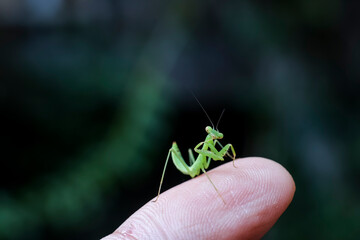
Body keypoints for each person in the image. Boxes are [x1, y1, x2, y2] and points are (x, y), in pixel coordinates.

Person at [102, 157, 295, 239]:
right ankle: (160, 189)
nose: (215, 136)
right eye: (212, 134)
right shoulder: (204, 148)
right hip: (190, 168)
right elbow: (202, 169)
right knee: (181, 156)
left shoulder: (211, 144)